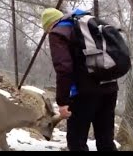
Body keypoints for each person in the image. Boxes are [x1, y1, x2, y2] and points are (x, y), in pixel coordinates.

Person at [41, 8, 119, 151]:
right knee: (106, 140)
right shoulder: (88, 26)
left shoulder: (58, 33)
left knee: (77, 141)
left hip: (84, 92)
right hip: (110, 85)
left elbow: (64, 68)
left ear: (49, 25)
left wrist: (62, 102)